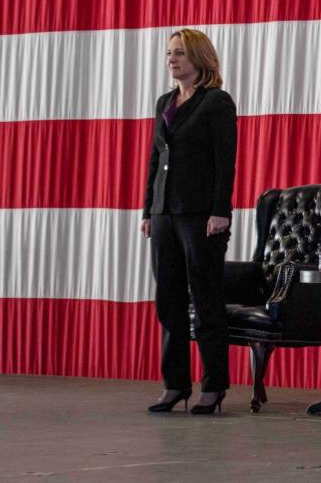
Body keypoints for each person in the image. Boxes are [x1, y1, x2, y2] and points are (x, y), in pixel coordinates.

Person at [141, 28, 237, 415]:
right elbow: (154, 161)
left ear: (199, 57)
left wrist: (220, 210)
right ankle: (175, 384)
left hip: (200, 215)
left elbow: (224, 162)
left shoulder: (216, 102)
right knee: (169, 301)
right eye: (169, 53)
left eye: (180, 53)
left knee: (206, 299)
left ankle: (214, 386)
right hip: (165, 213)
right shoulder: (166, 101)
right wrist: (149, 209)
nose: (172, 59)